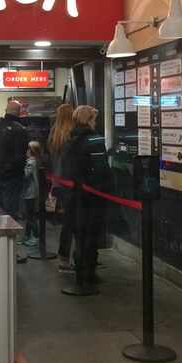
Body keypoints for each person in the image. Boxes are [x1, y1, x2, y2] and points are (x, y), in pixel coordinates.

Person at [62, 105, 109, 290]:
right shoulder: (95, 139)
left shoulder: (69, 138)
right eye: (94, 118)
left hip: (73, 195)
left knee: (80, 234)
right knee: (91, 235)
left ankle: (80, 270)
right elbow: (101, 169)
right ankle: (88, 273)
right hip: (92, 196)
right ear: (89, 119)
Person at [48, 103, 75, 272]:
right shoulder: (71, 135)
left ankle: (64, 258)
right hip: (71, 183)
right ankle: (74, 258)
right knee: (73, 223)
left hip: (57, 182)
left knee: (66, 223)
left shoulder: (54, 134)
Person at [0, 100, 30, 221]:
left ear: (6, 111)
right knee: (11, 211)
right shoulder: (20, 129)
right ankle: (11, 237)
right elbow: (21, 155)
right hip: (13, 176)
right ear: (19, 112)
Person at [21, 141, 42, 247]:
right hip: (30, 192)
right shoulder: (34, 161)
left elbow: (25, 175)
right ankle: (27, 236)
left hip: (30, 193)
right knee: (29, 215)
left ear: (31, 150)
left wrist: (19, 167)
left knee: (31, 216)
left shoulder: (31, 162)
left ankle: (36, 237)